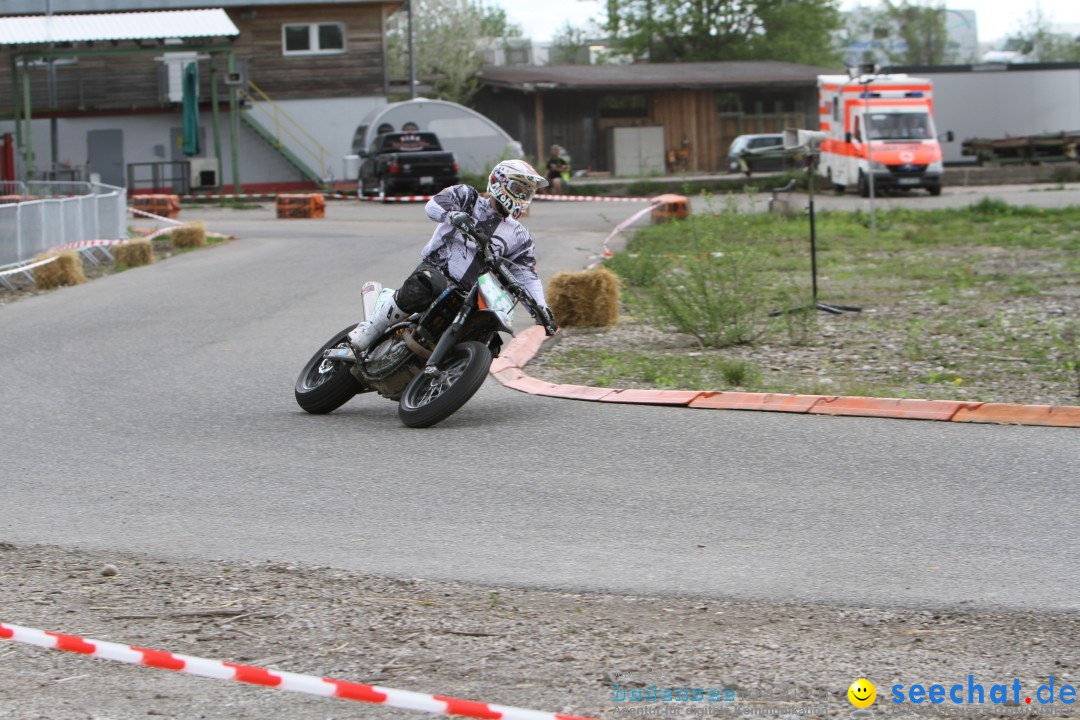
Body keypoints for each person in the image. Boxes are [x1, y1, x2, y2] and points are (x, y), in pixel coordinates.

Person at [349, 159, 557, 351]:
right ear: (498, 181)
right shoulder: (468, 197)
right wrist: (453, 215)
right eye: (518, 189)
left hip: (471, 294)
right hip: (437, 269)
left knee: (490, 340)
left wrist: (542, 308)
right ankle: (372, 327)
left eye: (526, 193)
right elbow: (434, 205)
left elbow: (527, 274)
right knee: (429, 285)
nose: (521, 197)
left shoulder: (520, 236)